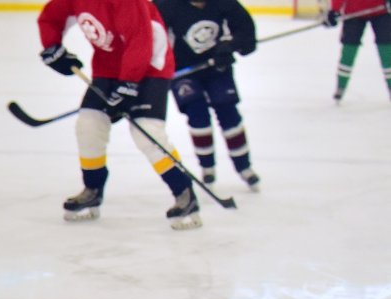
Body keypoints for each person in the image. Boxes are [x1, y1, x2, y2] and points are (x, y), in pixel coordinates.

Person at [38, 0, 204, 230]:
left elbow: (140, 39)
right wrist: (52, 46)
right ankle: (92, 189)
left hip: (150, 65)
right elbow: (50, 18)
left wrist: (128, 84)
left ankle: (183, 191)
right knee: (89, 124)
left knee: (146, 132)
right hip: (109, 68)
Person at [155, 0, 262, 190]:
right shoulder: (166, 5)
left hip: (217, 68)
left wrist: (230, 45)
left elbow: (246, 32)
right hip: (182, 72)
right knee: (197, 114)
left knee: (228, 112)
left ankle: (244, 167)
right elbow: (152, 37)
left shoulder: (223, 3)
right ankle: (207, 167)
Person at [321, 0, 391, 101]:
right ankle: (341, 86)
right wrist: (334, 10)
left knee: (387, 52)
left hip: (381, 12)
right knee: (349, 51)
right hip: (353, 12)